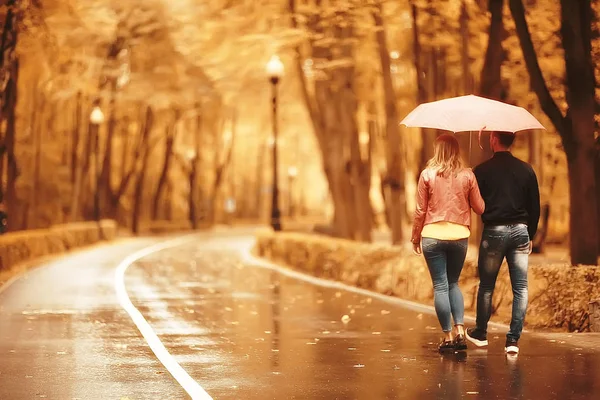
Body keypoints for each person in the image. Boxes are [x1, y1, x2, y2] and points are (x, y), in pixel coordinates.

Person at [465, 131, 540, 355]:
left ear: (494, 140)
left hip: (494, 232)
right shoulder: (526, 169)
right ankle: (513, 341)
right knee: (521, 288)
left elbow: (472, 202)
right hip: (520, 231)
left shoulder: (482, 170)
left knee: (487, 286)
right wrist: (531, 235)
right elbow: (534, 207)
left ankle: (480, 333)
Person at [412, 134, 485, 353]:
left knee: (441, 286)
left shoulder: (427, 175)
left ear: (437, 150)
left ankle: (448, 336)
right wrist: (472, 184)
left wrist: (415, 237)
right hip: (459, 236)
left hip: (432, 236)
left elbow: (419, 211)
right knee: (453, 283)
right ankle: (461, 329)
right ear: (457, 151)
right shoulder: (468, 175)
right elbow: (480, 207)